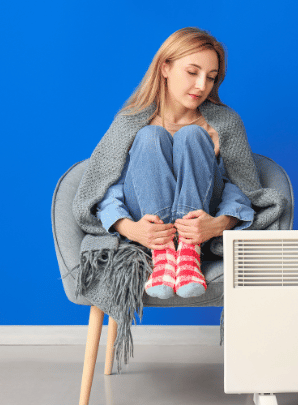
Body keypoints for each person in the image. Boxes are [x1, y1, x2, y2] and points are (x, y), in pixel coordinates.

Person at [72, 27, 287, 303]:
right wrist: (129, 228)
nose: (201, 86)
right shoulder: (131, 122)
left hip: (201, 230)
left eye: (211, 78)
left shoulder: (224, 123)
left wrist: (219, 224)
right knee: (150, 137)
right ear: (165, 67)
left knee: (192, 136)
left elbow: (241, 188)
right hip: (148, 231)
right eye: (192, 72)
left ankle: (188, 253)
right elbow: (108, 187)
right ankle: (163, 256)